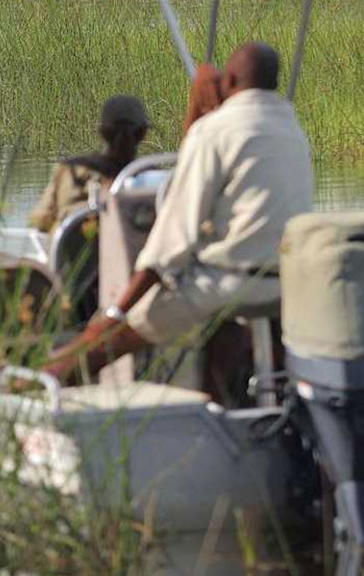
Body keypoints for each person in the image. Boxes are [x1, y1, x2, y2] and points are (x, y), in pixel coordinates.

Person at [40, 42, 314, 388]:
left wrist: (116, 312)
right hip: (286, 284)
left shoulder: (213, 131)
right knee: (219, 328)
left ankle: (46, 384)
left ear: (229, 80)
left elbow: (173, 237)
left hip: (228, 284)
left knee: (112, 339)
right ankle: (221, 397)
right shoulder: (291, 127)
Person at [28, 95, 150, 233]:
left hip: (75, 253)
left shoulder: (73, 172)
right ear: (144, 134)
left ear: (101, 133)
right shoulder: (152, 176)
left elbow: (40, 220)